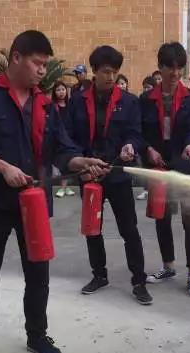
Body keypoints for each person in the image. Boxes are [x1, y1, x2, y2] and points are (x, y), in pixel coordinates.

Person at [0, 30, 109, 353]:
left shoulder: (45, 105)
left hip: (34, 204)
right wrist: (2, 167)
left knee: (39, 274)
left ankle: (37, 335)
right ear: (16, 58)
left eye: (45, 65)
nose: (42, 70)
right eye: (37, 63)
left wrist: (79, 161)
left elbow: (61, 148)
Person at [66, 45, 151, 305]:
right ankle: (99, 275)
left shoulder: (129, 102)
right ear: (94, 71)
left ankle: (139, 280)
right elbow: (68, 137)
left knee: (129, 229)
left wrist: (130, 146)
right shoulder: (77, 101)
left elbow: (136, 134)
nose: (111, 77)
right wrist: (81, 165)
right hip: (89, 175)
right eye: (105, 71)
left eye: (114, 72)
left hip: (117, 174)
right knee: (92, 229)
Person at [140, 41, 190, 296]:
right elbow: (138, 131)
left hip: (186, 166)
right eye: (170, 68)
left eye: (180, 68)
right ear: (160, 67)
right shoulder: (146, 100)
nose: (175, 73)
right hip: (160, 166)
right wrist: (148, 149)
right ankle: (168, 266)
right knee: (162, 217)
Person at [51, 80, 75, 198]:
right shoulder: (53, 106)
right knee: (61, 162)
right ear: (54, 92)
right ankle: (63, 187)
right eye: (58, 90)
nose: (61, 92)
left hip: (70, 138)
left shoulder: (71, 105)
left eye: (63, 89)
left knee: (68, 162)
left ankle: (65, 186)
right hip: (58, 139)